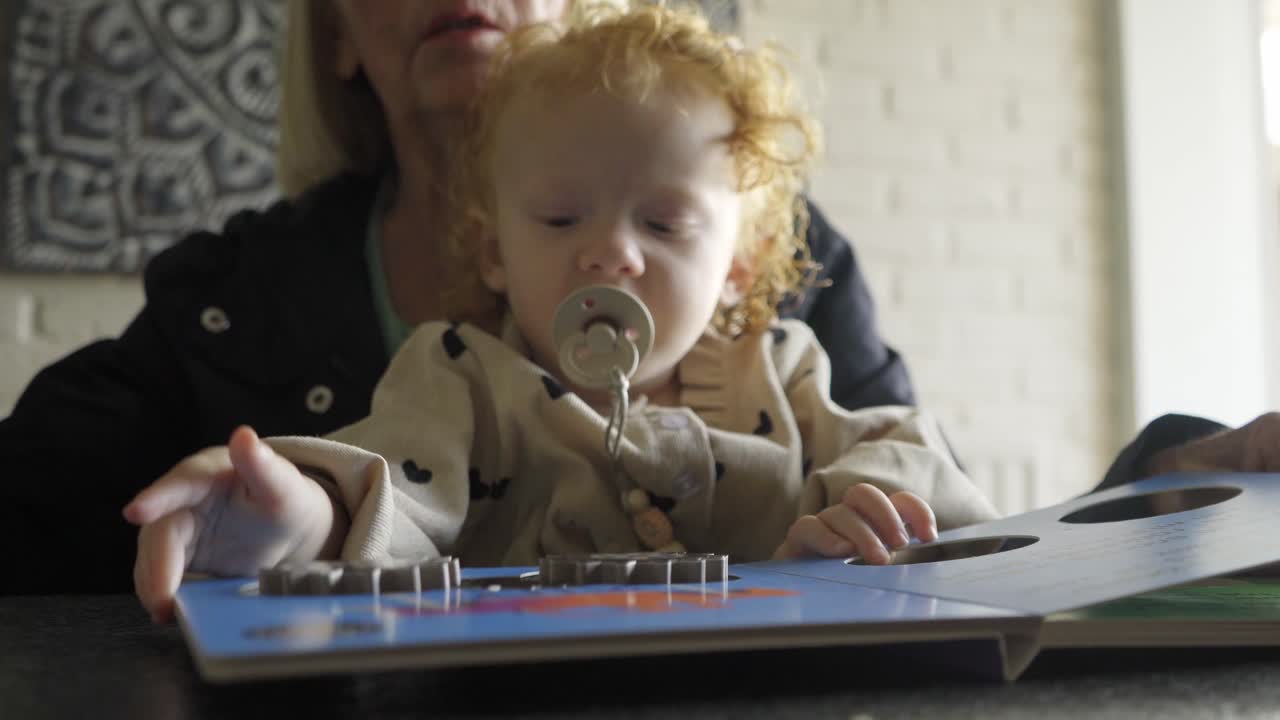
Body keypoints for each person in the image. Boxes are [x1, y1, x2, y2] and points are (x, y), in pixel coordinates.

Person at [124, 2, 1000, 623]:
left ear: (739, 267)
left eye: (662, 223)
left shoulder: (785, 369)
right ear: (496, 252)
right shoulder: (460, 379)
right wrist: (295, 515)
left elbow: (919, 459)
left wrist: (868, 514)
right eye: (558, 218)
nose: (611, 252)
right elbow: (388, 483)